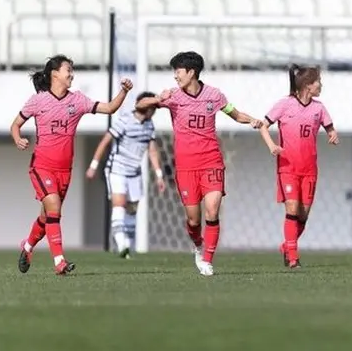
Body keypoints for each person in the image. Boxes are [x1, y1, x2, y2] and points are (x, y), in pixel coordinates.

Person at [136, 51, 262, 276]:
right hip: (186, 167)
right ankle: (197, 243)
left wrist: (251, 119)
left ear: (191, 72)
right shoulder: (173, 96)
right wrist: (157, 99)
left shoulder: (214, 96)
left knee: (212, 211)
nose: (175, 76)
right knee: (193, 220)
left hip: (211, 162)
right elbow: (140, 105)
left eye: (178, 72)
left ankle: (208, 259)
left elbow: (233, 113)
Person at [12, 54, 133, 275]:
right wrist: (17, 137)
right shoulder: (38, 100)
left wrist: (124, 91)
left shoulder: (76, 100)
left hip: (64, 171)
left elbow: (109, 108)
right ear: (55, 73)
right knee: (54, 210)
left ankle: (27, 246)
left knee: (46, 216)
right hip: (42, 166)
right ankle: (59, 262)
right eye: (68, 69)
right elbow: (16, 124)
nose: (72, 74)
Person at [259, 65, 339, 268]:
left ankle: (287, 244)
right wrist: (271, 146)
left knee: (303, 214)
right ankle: (293, 256)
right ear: (307, 85)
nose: (320, 85)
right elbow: (263, 125)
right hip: (287, 167)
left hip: (309, 169)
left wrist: (332, 134)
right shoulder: (284, 104)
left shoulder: (319, 108)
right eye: (318, 81)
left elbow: (330, 128)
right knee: (292, 207)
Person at [85, 91, 166, 259]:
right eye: (153, 106)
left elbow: (152, 150)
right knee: (119, 204)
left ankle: (127, 247)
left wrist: (159, 174)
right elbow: (105, 141)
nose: (155, 110)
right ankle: (121, 243)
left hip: (134, 172)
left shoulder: (149, 125)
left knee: (132, 209)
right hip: (117, 170)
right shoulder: (124, 120)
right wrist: (93, 165)